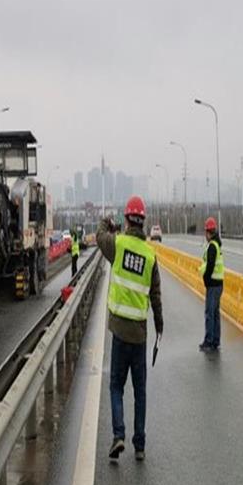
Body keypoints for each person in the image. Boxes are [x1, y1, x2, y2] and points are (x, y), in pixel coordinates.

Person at [97, 196, 163, 463]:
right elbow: (155, 295)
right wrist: (160, 325)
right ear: (143, 222)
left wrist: (107, 222)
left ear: (126, 220)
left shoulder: (118, 245)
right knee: (140, 391)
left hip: (119, 332)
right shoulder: (150, 255)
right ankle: (140, 445)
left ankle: (118, 435)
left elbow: (100, 236)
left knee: (116, 386)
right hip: (139, 334)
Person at [199, 217, 224, 352]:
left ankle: (209, 341)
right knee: (215, 313)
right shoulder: (217, 245)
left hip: (213, 284)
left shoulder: (212, 246)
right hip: (218, 284)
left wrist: (206, 280)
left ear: (208, 232)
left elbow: (210, 266)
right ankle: (215, 340)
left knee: (210, 313)